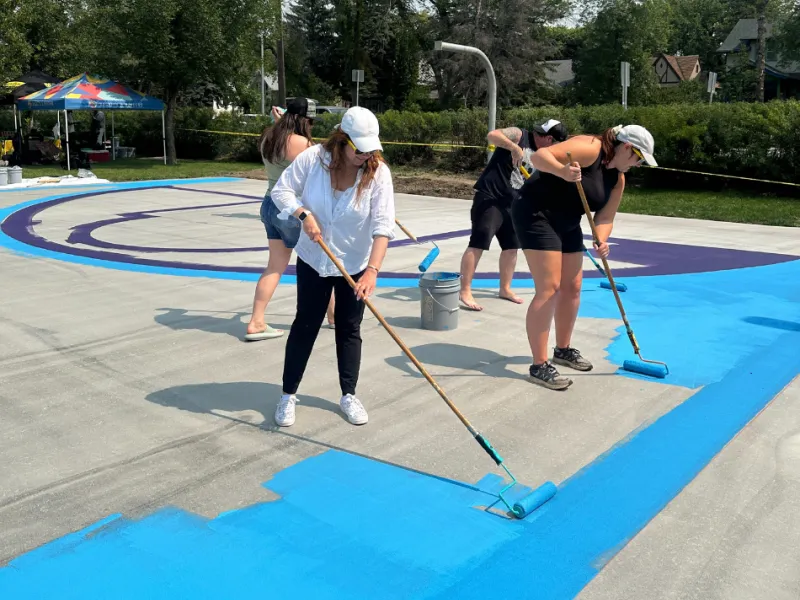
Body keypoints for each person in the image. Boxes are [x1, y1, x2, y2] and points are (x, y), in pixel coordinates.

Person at [270, 106, 395, 427]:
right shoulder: (313, 160)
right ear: (342, 140)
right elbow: (281, 190)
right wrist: (303, 214)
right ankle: (287, 395)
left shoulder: (378, 173)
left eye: (371, 149)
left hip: (354, 263)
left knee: (349, 328)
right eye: (359, 149)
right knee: (306, 325)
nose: (365, 156)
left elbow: (383, 225)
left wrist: (373, 271)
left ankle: (349, 394)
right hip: (314, 258)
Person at [510, 124, 657, 390]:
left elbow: (605, 217)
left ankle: (562, 349)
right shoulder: (591, 147)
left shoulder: (618, 179)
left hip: (568, 220)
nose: (638, 165)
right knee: (550, 288)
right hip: (536, 213)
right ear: (626, 147)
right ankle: (539, 365)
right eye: (638, 158)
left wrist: (601, 238)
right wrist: (563, 172)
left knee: (573, 287)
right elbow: (539, 157)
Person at [244, 97, 336, 341]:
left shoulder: (268, 137)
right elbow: (322, 167)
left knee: (275, 266)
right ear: (303, 120)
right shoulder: (302, 142)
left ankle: (256, 321)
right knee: (323, 262)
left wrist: (282, 124)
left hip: (269, 204)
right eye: (311, 121)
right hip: (293, 209)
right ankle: (334, 316)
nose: (312, 125)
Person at [459, 119, 569, 311]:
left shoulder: (544, 155)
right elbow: (492, 135)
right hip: (490, 196)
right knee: (479, 242)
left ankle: (505, 288)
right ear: (549, 138)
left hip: (514, 203)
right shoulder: (520, 135)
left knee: (511, 247)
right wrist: (513, 147)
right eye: (555, 144)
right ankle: (465, 290)